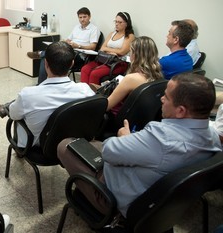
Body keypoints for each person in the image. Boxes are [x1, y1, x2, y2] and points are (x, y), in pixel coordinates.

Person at [57, 73, 222, 216]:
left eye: (167, 97)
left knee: (65, 145)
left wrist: (124, 137)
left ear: (181, 111)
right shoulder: (213, 136)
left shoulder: (160, 138)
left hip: (114, 199)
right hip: (157, 205)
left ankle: (91, 198)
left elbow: (108, 151)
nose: (162, 99)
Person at [0, 41, 95, 148]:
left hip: (39, 148)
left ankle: (7, 106)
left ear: (46, 63)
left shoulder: (28, 95)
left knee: (18, 112)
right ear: (72, 63)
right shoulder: (85, 90)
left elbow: (14, 115)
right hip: (71, 146)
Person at [27, 7, 100, 84]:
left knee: (48, 55)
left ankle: (41, 56)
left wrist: (78, 46)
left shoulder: (94, 29)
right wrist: (65, 41)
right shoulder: (77, 27)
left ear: (89, 16)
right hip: (70, 50)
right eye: (80, 17)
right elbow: (69, 39)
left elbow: (93, 47)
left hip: (81, 55)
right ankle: (42, 56)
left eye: (84, 17)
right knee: (47, 57)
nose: (82, 19)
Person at [105, 36, 163, 116]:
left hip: (115, 118)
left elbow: (107, 106)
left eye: (131, 51)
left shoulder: (131, 79)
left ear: (136, 55)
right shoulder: (158, 76)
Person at [80, 12, 135, 85]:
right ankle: (84, 92)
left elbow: (122, 52)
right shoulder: (112, 33)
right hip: (105, 59)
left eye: (120, 22)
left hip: (118, 63)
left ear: (126, 24)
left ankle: (93, 95)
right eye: (115, 21)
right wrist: (112, 52)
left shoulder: (129, 36)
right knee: (84, 69)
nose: (116, 24)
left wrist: (108, 49)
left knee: (95, 73)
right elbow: (102, 48)